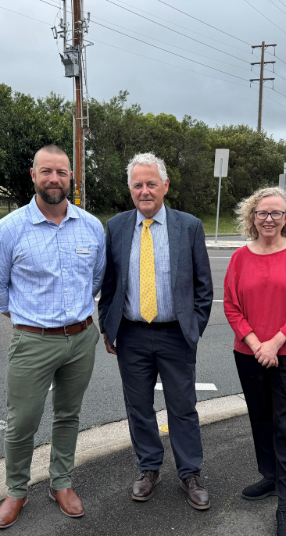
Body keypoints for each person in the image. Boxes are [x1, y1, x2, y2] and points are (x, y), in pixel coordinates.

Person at [0, 144, 105, 529]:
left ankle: (61, 482)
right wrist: (27, 320)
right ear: (33, 176)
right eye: (46, 171)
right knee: (22, 422)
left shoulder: (91, 226)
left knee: (68, 415)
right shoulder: (8, 230)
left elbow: (96, 279)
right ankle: (17, 490)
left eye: (62, 172)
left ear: (71, 178)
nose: (54, 179)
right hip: (32, 341)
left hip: (82, 338)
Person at [98, 153, 213, 510]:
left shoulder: (189, 226)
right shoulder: (116, 226)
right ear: (130, 189)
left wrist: (192, 329)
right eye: (138, 185)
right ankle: (148, 469)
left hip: (175, 334)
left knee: (183, 407)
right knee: (139, 407)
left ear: (165, 186)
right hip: (131, 334)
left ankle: (190, 473)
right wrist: (108, 325)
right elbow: (109, 283)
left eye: (151, 183)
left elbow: (203, 286)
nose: (144, 191)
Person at [223, 186, 286, 536]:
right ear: (251, 217)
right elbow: (231, 306)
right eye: (262, 213)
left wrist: (275, 342)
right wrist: (255, 343)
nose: (268, 219)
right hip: (249, 353)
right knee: (261, 418)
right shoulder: (239, 257)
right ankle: (269, 475)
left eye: (276, 213)